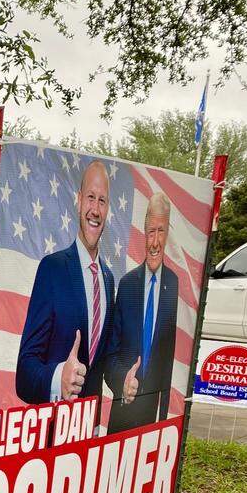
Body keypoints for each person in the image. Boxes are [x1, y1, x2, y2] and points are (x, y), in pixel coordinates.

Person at [16, 160, 117, 408]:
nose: (95, 209)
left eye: (102, 201)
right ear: (79, 200)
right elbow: (24, 373)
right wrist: (57, 377)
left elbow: (102, 364)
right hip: (51, 430)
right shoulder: (53, 269)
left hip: (87, 432)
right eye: (90, 198)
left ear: (108, 209)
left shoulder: (108, 279)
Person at [105, 192, 179, 433]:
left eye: (161, 231)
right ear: (143, 234)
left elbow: (169, 360)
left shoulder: (174, 286)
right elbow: (111, 354)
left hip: (154, 418)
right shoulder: (126, 286)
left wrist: (165, 419)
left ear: (167, 234)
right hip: (123, 412)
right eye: (151, 232)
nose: (155, 241)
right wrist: (122, 382)